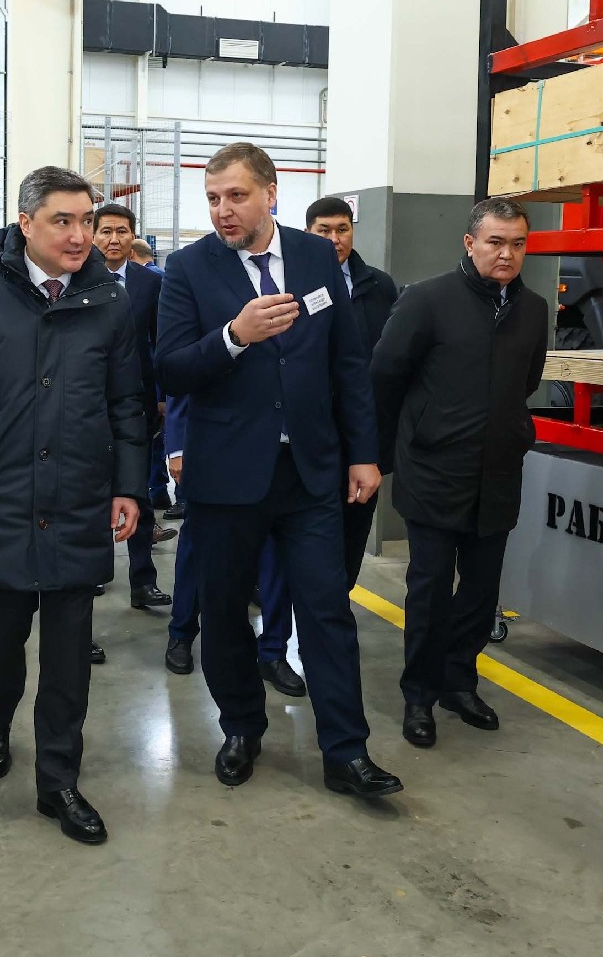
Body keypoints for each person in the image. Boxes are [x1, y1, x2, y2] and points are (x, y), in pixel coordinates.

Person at [155, 142, 400, 800]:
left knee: (327, 609)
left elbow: (348, 362)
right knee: (224, 610)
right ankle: (241, 727)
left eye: (236, 196)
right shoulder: (189, 268)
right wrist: (234, 336)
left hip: (310, 471)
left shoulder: (317, 257)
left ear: (270, 193)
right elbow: (171, 369)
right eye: (213, 198)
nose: (223, 210)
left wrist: (364, 453)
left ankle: (346, 752)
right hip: (227, 474)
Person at [0, 166, 144, 845]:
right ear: (26, 223)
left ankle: (59, 781)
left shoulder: (108, 299)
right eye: (62, 221)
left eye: (86, 221)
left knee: (69, 658)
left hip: (77, 501)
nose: (79, 235)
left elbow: (127, 400)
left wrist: (128, 485)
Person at [371, 197, 547, 749]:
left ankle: (458, 682)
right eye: (495, 242)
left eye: (517, 243)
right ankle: (419, 695)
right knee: (429, 588)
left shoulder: (533, 309)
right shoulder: (427, 300)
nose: (507, 254)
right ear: (470, 243)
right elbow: (385, 375)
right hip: (434, 469)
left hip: (497, 471)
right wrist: (402, 443)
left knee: (480, 589)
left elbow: (527, 381)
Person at [160, 390, 298, 696]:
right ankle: (181, 632)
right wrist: (178, 445)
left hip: (282, 449)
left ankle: (273, 651)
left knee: (276, 551)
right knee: (198, 543)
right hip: (217, 445)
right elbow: (183, 373)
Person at [304, 197, 399, 589]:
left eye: (342, 229)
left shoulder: (378, 285)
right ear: (307, 233)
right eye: (324, 230)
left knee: (353, 529)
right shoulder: (293, 283)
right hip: (309, 433)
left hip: (362, 433)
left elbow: (390, 359)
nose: (335, 239)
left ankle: (338, 603)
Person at [93, 202, 176, 611]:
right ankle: (93, 572)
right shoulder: (77, 278)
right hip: (88, 403)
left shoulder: (150, 283)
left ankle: (143, 580)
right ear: (93, 235)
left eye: (122, 231)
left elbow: (163, 344)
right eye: (106, 231)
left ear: (133, 236)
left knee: (137, 490)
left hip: (137, 403)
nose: (114, 239)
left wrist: (162, 396)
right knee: (91, 494)